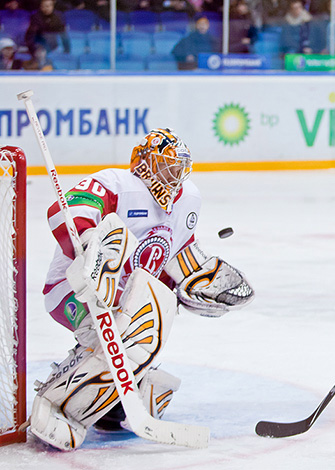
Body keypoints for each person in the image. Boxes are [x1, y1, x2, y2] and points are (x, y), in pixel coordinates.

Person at [29, 128, 255, 451]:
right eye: (165, 166)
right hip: (70, 290)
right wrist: (91, 246)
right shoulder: (117, 184)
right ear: (144, 164)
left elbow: (176, 252)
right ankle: (55, 403)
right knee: (117, 342)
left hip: (121, 299)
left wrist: (198, 277)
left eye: (179, 168)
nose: (173, 176)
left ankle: (113, 409)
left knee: (144, 342)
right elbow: (66, 211)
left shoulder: (188, 199)